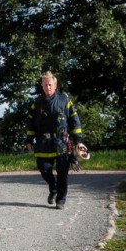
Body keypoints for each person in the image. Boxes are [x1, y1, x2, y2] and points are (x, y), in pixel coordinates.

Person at [26, 71, 84, 209]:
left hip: (61, 143)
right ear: (42, 85)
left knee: (62, 174)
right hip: (43, 143)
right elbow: (30, 122)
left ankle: (61, 200)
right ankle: (53, 188)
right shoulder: (37, 103)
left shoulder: (65, 101)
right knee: (44, 169)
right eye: (45, 85)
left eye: (50, 84)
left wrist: (78, 141)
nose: (48, 87)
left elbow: (74, 121)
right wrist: (29, 139)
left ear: (55, 84)